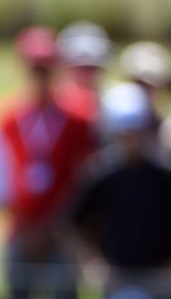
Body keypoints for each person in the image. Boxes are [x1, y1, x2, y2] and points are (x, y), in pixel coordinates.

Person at [0, 26, 96, 299]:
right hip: (20, 230)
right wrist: (24, 224)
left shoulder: (79, 119)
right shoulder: (7, 118)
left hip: (61, 232)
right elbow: (0, 177)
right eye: (34, 67)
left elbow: (84, 178)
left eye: (46, 66)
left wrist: (52, 225)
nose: (40, 74)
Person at [70, 83, 171, 298]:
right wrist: (91, 261)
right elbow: (75, 223)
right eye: (125, 133)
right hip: (116, 277)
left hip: (159, 277)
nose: (132, 139)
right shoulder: (100, 173)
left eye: (136, 131)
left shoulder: (162, 173)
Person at [55, 20, 112, 127]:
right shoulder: (55, 105)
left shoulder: (112, 102)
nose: (87, 76)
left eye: (92, 68)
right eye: (81, 68)